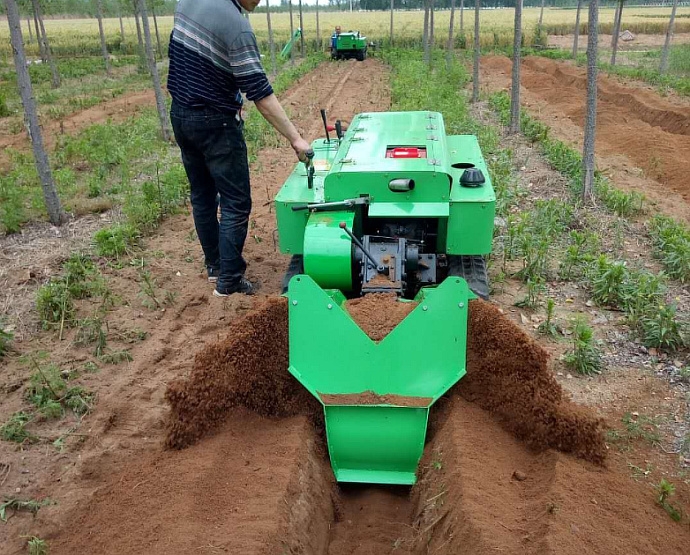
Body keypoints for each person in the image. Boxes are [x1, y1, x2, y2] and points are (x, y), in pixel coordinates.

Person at [167, 0, 311, 297]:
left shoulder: (188, 2)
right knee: (236, 203)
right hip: (216, 125)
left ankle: (216, 267)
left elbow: (189, 60)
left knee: (202, 196)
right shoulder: (237, 26)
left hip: (180, 114)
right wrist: (295, 139)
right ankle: (229, 283)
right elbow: (260, 93)